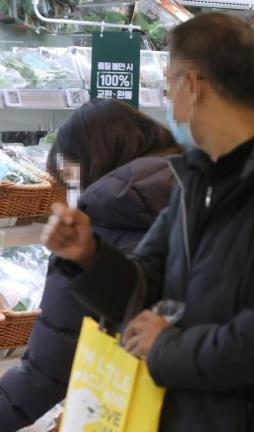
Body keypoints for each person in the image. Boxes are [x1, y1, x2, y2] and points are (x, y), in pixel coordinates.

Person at [40, 13, 254, 432]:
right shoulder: (197, 181)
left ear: (193, 85)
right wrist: (87, 256)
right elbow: (145, 285)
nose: (167, 96)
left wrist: (166, 348)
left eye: (169, 81)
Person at [0, 99, 179, 431]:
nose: (69, 196)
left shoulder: (97, 228)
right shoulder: (198, 191)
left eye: (69, 181)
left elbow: (45, 372)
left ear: (95, 163)